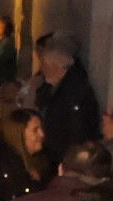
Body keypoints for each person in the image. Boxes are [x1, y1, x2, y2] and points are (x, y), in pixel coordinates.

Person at [36, 33, 100, 171]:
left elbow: (76, 130)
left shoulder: (75, 91)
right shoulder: (57, 85)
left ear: (56, 66)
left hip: (63, 158)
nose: (42, 70)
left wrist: (67, 161)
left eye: (44, 65)